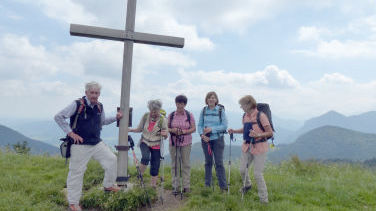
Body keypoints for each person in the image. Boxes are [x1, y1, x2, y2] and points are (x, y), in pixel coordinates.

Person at [54, 81, 122, 211]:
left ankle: (108, 186)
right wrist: (71, 133)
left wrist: (116, 117)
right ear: (86, 92)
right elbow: (59, 116)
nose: (94, 95)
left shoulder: (99, 106)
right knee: (76, 173)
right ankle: (73, 203)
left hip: (96, 143)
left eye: (97, 93)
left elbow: (102, 121)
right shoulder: (77, 104)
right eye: (92, 92)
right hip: (79, 145)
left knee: (112, 160)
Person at [228, 95, 273, 204]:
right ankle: (247, 185)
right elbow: (245, 129)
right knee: (242, 170)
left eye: (242, 105)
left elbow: (270, 132)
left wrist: (258, 135)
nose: (241, 107)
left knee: (258, 173)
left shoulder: (261, 116)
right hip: (247, 146)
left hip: (260, 147)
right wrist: (234, 131)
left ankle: (264, 200)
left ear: (248, 104)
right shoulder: (245, 116)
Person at [128, 99, 168, 187]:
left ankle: (152, 185)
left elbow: (166, 135)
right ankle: (139, 177)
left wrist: (165, 134)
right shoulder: (146, 116)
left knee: (155, 164)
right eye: (152, 111)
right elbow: (139, 129)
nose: (153, 113)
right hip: (144, 141)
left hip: (156, 144)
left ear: (159, 109)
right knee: (145, 158)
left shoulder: (163, 120)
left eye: (156, 111)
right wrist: (130, 130)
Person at [197, 91, 228, 191]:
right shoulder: (204, 110)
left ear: (216, 100)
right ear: (206, 100)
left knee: (219, 162)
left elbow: (224, 125)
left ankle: (223, 187)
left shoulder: (220, 110)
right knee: (208, 162)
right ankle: (208, 186)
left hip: (218, 139)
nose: (211, 99)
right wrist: (202, 135)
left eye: (213, 98)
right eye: (209, 97)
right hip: (206, 140)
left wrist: (212, 129)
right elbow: (200, 125)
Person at [168, 95, 196, 194]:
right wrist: (173, 130)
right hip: (173, 142)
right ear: (175, 103)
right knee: (175, 164)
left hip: (186, 142)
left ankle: (186, 186)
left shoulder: (189, 115)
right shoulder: (171, 115)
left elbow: (193, 128)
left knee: (186, 164)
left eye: (182, 103)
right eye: (178, 103)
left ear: (185, 104)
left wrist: (183, 132)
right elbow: (166, 128)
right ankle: (175, 186)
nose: (180, 105)